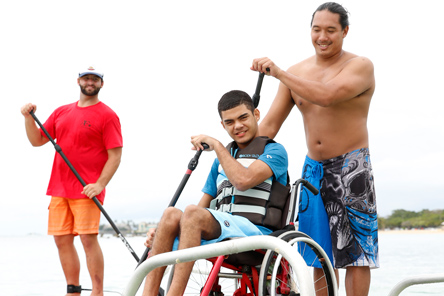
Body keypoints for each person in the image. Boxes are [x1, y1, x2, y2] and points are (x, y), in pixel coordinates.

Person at [250, 2, 378, 296]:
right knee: (318, 254)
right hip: (312, 170)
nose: (322, 36)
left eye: (331, 30)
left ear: (345, 31)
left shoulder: (360, 65)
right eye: (316, 29)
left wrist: (280, 73)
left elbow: (328, 96)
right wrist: (229, 140)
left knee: (356, 256)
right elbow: (268, 127)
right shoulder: (296, 72)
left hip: (351, 167)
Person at [142, 90, 289, 296]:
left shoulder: (275, 151)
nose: (237, 126)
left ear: (256, 114)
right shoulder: (221, 161)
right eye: (229, 122)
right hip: (223, 230)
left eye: (243, 117)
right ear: (223, 125)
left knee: (191, 212)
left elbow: (243, 180)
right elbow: (200, 210)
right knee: (171, 215)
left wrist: (218, 146)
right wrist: (164, 233)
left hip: (256, 235)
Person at [20, 67, 123, 296]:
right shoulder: (61, 112)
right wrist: (28, 118)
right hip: (59, 188)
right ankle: (73, 290)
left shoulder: (108, 115)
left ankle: (97, 292)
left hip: (87, 189)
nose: (90, 82)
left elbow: (115, 155)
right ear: (78, 81)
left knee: (88, 239)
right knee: (62, 240)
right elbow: (37, 140)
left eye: (95, 79)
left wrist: (100, 184)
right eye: (86, 78)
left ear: (101, 84)